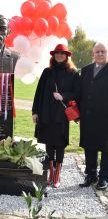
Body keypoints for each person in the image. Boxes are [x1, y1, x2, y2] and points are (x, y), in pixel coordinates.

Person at [32, 44, 80, 188]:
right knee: (48, 142)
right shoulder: (47, 72)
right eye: (57, 53)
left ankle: (57, 175)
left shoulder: (73, 73)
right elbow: (39, 92)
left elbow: (77, 93)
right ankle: (51, 173)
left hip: (61, 115)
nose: (59, 55)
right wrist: (35, 111)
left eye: (62, 53)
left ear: (67, 55)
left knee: (59, 143)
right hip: (46, 112)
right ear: (54, 55)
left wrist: (63, 96)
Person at [79, 42, 108, 190]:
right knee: (89, 147)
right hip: (88, 116)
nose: (100, 54)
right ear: (93, 54)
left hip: (105, 117)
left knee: (106, 148)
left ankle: (104, 178)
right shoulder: (85, 70)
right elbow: (80, 93)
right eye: (97, 52)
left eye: (103, 51)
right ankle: (90, 175)